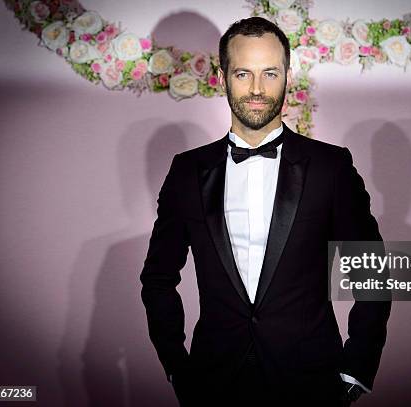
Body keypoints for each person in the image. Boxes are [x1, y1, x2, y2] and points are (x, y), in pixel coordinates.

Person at [140, 16, 391, 406]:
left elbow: (371, 267)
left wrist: (358, 365)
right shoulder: (187, 171)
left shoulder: (331, 167)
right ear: (222, 77)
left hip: (313, 383)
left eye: (270, 73)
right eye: (243, 73)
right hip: (213, 383)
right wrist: (176, 363)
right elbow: (158, 277)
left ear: (288, 76)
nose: (257, 89)